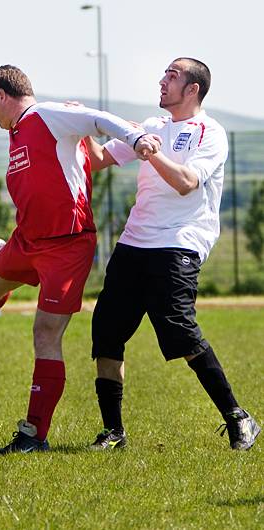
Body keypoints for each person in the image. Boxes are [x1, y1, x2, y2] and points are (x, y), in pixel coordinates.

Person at [0, 64, 162, 454]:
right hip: (26, 241)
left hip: (66, 246)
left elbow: (98, 118)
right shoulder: (18, 131)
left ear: (2, 95)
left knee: (44, 333)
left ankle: (33, 435)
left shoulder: (46, 115)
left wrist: (137, 136)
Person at [86, 57, 261, 451]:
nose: (162, 81)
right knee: (106, 332)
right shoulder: (152, 127)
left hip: (180, 242)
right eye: (164, 73)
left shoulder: (209, 133)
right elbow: (97, 160)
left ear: (193, 88)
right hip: (134, 242)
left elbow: (185, 182)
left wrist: (148, 152)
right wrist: (79, 126)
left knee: (179, 329)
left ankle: (238, 417)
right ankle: (113, 432)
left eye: (172, 75)